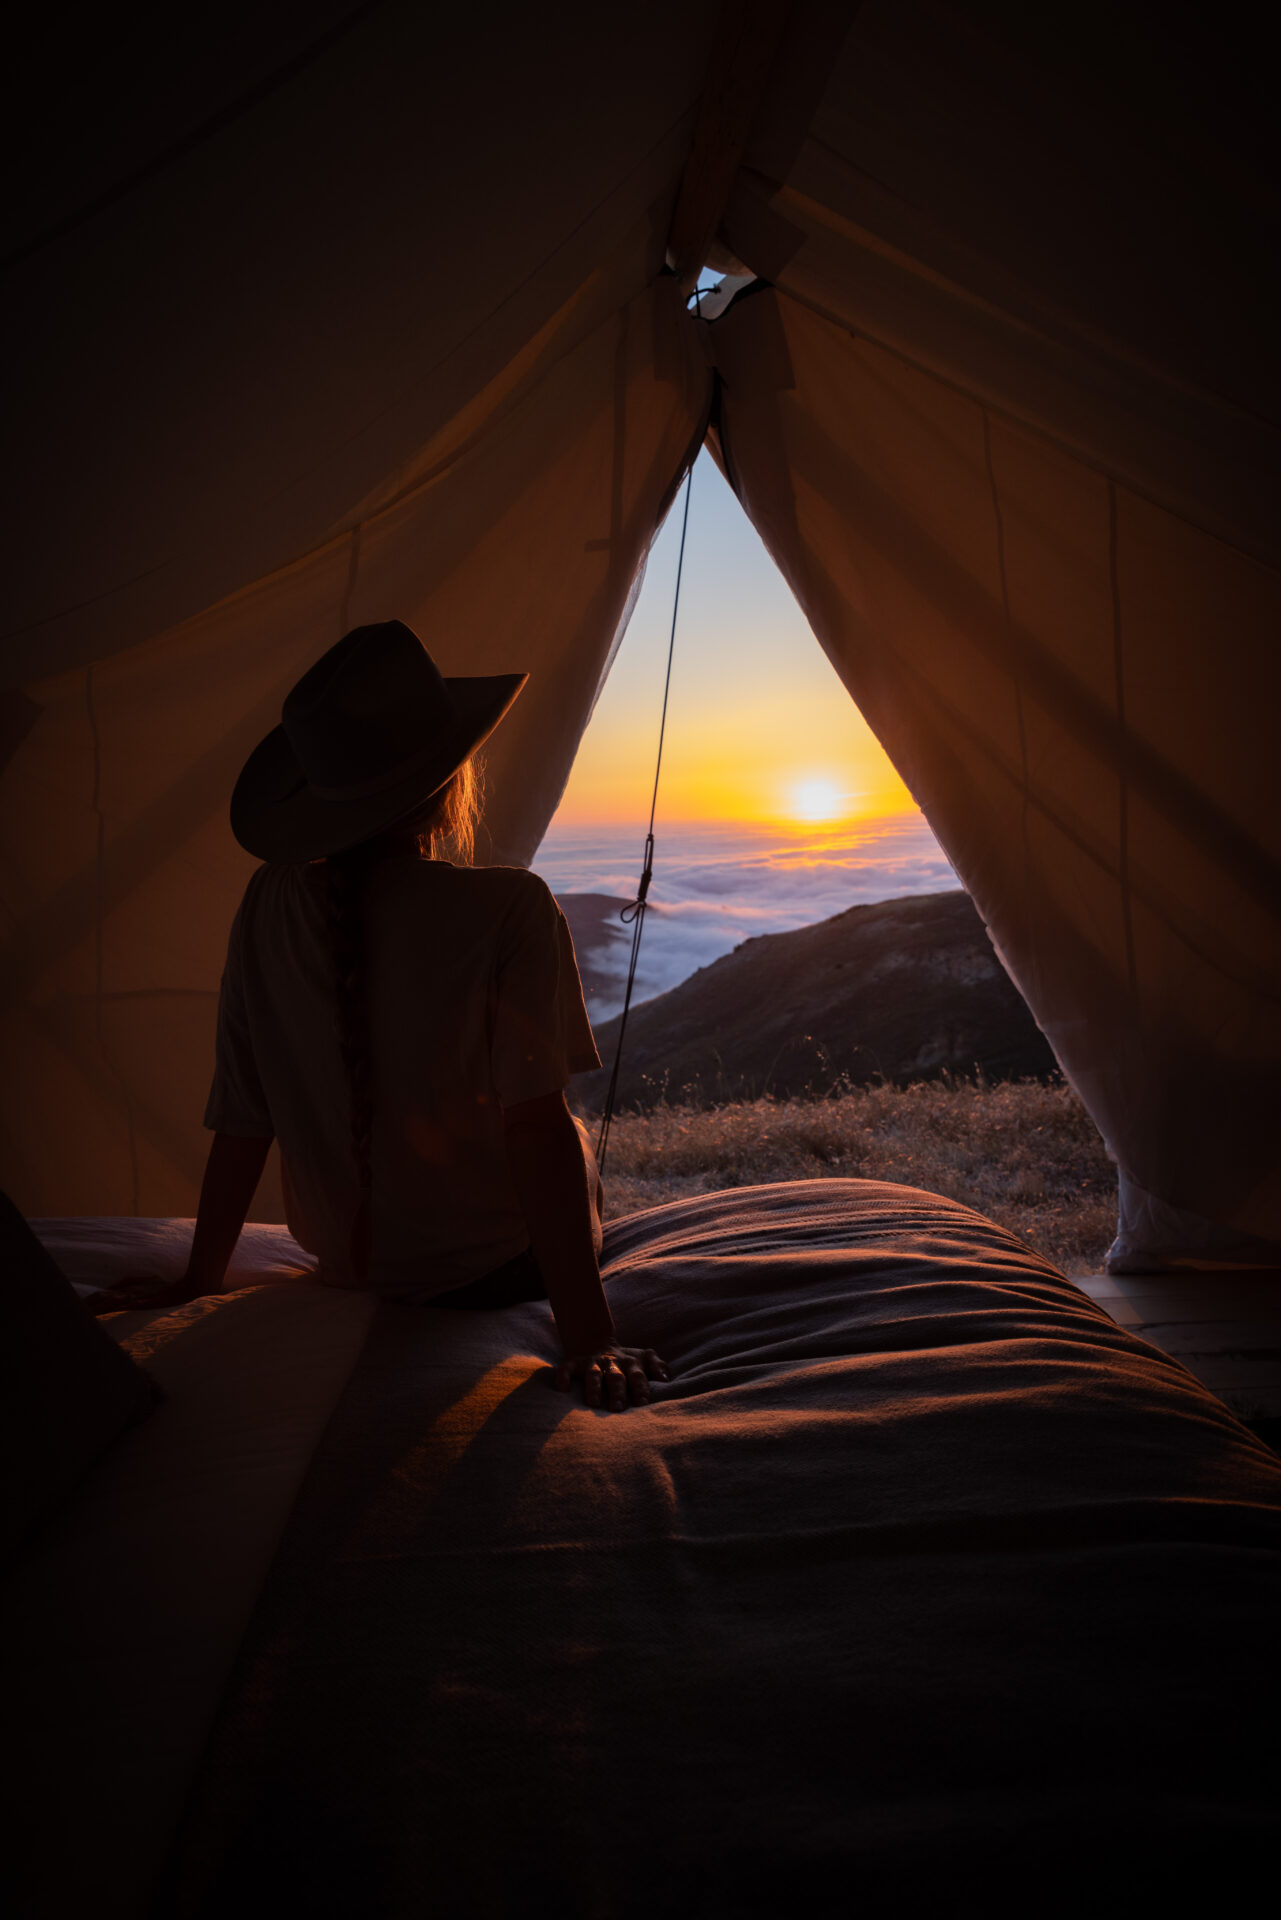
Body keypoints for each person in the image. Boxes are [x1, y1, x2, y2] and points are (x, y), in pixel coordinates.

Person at [88, 621, 667, 1412]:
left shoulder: (266, 903)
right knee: (564, 1132)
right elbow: (533, 1132)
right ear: (447, 778)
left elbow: (242, 1120)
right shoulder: (510, 910)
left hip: (346, 1266)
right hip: (495, 1275)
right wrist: (590, 1337)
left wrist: (198, 1278)